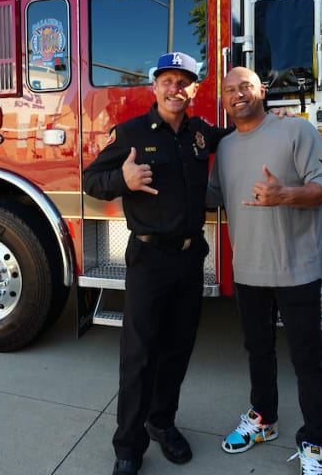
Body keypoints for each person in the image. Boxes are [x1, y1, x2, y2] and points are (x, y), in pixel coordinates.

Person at [82, 52, 226, 475]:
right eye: (168, 80)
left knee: (178, 350)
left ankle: (162, 423)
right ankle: (128, 446)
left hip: (190, 257)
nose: (175, 88)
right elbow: (91, 180)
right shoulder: (129, 133)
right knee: (139, 355)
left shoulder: (201, 134)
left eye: (184, 81)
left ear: (194, 89)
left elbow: (243, 133)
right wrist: (120, 181)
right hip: (148, 258)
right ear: (154, 86)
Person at [207, 66, 322, 474]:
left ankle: (315, 442)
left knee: (307, 359)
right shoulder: (226, 147)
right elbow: (213, 195)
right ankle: (263, 419)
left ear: (261, 90)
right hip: (249, 269)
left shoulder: (295, 132)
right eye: (229, 90)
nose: (237, 95)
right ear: (223, 99)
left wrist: (287, 194)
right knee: (257, 352)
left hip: (297, 269)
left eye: (245, 86)